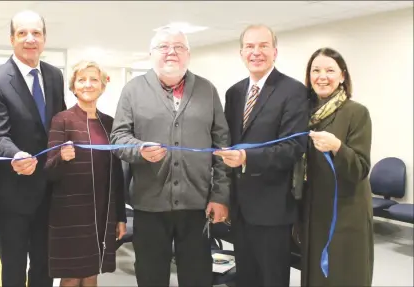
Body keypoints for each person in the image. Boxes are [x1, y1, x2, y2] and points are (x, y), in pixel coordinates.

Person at [110, 27, 231, 287]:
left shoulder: (207, 91)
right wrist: (139, 149)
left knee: (197, 276)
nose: (171, 52)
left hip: (197, 206)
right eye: (164, 47)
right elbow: (118, 138)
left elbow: (222, 147)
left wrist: (220, 196)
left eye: (178, 47)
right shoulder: (133, 90)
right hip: (149, 205)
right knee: (151, 276)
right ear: (151, 54)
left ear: (188, 54)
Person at [214, 24, 309, 287]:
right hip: (240, 208)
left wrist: (247, 158)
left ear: (275, 51)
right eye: (250, 46)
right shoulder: (234, 93)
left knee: (272, 278)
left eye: (263, 46)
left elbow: (293, 147)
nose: (256, 52)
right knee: (245, 277)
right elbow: (227, 140)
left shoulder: (293, 91)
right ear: (241, 53)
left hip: (273, 208)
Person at [0, 10, 66, 287]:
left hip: (49, 191)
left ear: (44, 39)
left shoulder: (54, 76)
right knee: (14, 267)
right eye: (22, 33)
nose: (30, 39)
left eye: (36, 33)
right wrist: (15, 154)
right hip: (11, 192)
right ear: (12, 39)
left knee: (45, 265)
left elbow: (59, 122)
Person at [45, 60, 127, 287]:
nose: (88, 84)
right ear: (73, 86)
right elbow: (48, 171)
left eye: (94, 79)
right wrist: (62, 158)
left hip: (102, 210)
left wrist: (119, 216)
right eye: (82, 79)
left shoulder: (110, 123)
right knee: (71, 275)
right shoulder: (62, 120)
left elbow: (117, 175)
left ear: (102, 86)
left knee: (93, 272)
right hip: (69, 213)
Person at [299, 47, 373, 286]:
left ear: (342, 76)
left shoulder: (356, 112)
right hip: (312, 209)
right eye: (316, 70)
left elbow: (361, 168)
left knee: (342, 274)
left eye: (330, 70)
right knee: (315, 275)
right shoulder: (303, 112)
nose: (322, 76)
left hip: (345, 212)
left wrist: (337, 147)